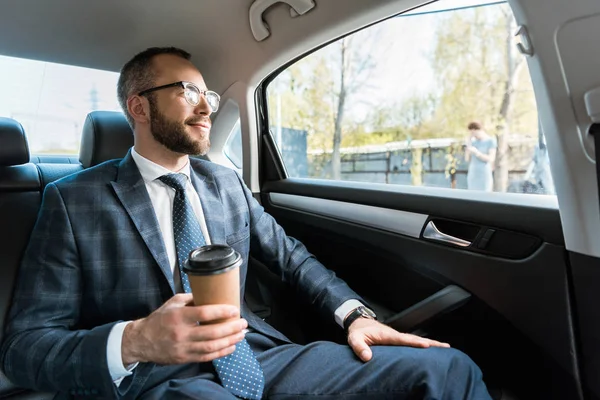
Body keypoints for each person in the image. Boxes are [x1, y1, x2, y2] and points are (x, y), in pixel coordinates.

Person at [0, 47, 492, 400]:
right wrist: (137, 340)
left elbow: (292, 258)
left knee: (447, 369)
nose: (206, 105)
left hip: (255, 354)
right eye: (187, 90)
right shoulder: (71, 201)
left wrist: (357, 316)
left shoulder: (225, 183)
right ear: (139, 107)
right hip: (159, 379)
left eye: (208, 94)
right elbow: (24, 348)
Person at [465, 121, 497, 192]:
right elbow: (467, 159)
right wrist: (468, 144)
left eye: (474, 133)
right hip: (473, 173)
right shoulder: (473, 142)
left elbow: (491, 158)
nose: (473, 135)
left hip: (484, 173)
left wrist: (477, 153)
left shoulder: (490, 141)